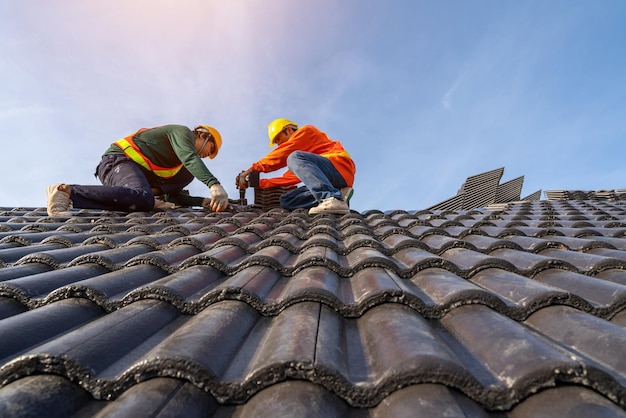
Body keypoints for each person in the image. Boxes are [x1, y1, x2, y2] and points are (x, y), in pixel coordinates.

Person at [46, 124, 229, 216]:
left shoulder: (185, 171)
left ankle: (144, 198)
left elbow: (172, 197)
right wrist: (214, 185)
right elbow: (190, 157)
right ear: (203, 135)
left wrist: (203, 201)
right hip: (117, 161)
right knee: (143, 197)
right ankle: (66, 191)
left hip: (132, 182)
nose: (207, 155)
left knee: (144, 201)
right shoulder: (182, 133)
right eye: (210, 149)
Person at [236, 118, 355, 215]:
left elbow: (283, 153)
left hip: (339, 167)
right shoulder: (303, 164)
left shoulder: (307, 132)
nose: (278, 145)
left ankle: (332, 198)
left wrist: (254, 168)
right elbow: (288, 179)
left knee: (293, 157)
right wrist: (256, 183)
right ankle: (339, 194)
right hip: (331, 181)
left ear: (288, 130)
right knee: (286, 200)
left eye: (278, 139)